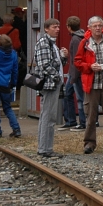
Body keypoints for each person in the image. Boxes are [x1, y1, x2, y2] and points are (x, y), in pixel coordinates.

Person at [74, 16, 103, 154]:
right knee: (91, 115)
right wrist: (89, 66)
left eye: (100, 25)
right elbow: (77, 62)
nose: (97, 28)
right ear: (89, 27)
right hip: (92, 83)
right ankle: (89, 143)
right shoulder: (85, 43)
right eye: (94, 26)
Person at [32, 19, 67, 159]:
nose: (57, 29)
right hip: (50, 84)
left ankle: (45, 147)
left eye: (58, 26)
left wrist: (63, 57)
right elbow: (44, 65)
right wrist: (57, 77)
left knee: (48, 116)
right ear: (46, 29)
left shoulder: (51, 43)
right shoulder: (44, 43)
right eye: (54, 27)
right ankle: (45, 149)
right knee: (48, 116)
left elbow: (55, 64)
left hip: (52, 83)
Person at [65, 17, 87, 131]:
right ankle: (71, 120)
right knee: (68, 93)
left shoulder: (75, 39)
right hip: (74, 72)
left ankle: (82, 122)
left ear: (69, 27)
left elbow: (75, 60)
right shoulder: (81, 36)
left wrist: (74, 76)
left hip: (75, 73)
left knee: (80, 98)